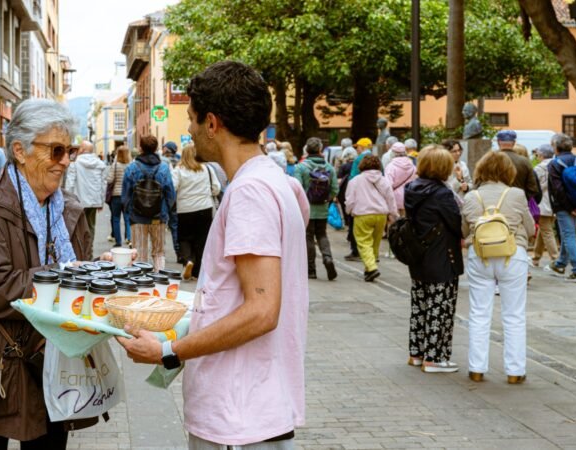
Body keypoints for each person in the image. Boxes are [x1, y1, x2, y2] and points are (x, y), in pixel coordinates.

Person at [117, 61, 309, 450]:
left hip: (238, 415)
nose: (187, 131)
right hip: (254, 408)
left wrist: (168, 352)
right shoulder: (278, 183)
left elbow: (261, 310)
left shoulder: (250, 192)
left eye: (190, 119)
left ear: (212, 122)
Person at [0, 99, 96, 448]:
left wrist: (100, 273)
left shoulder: (70, 208)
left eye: (69, 151)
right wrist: (65, 274)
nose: (65, 162)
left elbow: (80, 280)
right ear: (20, 151)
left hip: (53, 358)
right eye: (56, 151)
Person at [462, 151, 534, 384]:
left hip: (480, 255)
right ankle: (514, 371)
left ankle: (476, 368)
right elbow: (531, 229)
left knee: (479, 312)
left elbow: (464, 231)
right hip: (512, 255)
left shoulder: (472, 196)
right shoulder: (516, 194)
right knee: (514, 314)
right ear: (508, 171)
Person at [403, 149, 464, 373]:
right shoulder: (441, 193)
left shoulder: (412, 188)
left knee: (420, 305)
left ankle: (417, 353)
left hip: (418, 254)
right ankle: (435, 358)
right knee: (441, 306)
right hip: (441, 256)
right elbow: (456, 223)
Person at [121, 135, 176, 271]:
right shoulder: (164, 168)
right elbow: (170, 194)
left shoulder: (132, 167)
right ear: (156, 148)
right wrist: (168, 213)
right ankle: (159, 281)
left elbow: (125, 196)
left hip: (138, 217)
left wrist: (128, 212)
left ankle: (142, 285)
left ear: (140, 148)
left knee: (139, 253)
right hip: (159, 216)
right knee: (159, 252)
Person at [172, 144, 221, 280]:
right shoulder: (207, 169)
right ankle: (197, 272)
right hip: (205, 208)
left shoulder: (179, 170)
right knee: (202, 240)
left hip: (185, 209)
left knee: (184, 238)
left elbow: (173, 187)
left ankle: (188, 260)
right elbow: (216, 188)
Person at [345, 155, 398, 281]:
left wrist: (349, 211)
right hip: (381, 215)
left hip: (362, 214)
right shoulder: (384, 180)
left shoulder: (355, 180)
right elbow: (390, 198)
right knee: (375, 242)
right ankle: (369, 270)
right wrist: (394, 215)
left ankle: (372, 267)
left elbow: (350, 200)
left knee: (364, 242)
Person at [294, 137, 339, 280]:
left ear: (307, 150)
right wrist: (326, 200)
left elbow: (297, 188)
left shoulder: (301, 167)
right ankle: (327, 258)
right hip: (322, 208)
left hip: (306, 209)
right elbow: (334, 189)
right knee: (322, 234)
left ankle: (311, 270)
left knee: (308, 236)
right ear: (320, 150)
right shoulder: (329, 167)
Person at [546, 133, 576, 281]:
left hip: (563, 206)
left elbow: (558, 189)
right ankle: (560, 264)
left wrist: (568, 207)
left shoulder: (554, 164)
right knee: (569, 233)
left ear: (555, 147)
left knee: (568, 235)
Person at [64, 140, 107, 240]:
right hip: (94, 201)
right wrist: (101, 202)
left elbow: (70, 182)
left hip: (78, 200)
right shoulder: (100, 164)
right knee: (91, 226)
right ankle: (89, 252)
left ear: (82, 149)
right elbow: (103, 184)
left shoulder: (75, 163)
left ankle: (81, 251)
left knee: (78, 227)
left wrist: (67, 200)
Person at [496, 130, 542, 203]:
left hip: (494, 205)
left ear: (498, 142)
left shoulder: (487, 160)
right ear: (514, 143)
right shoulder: (524, 162)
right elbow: (533, 189)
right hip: (518, 204)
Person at [533, 144, 559, 267]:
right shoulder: (557, 165)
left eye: (537, 153)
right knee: (544, 231)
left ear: (542, 154)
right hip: (555, 203)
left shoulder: (539, 168)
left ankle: (556, 259)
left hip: (543, 203)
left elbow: (535, 186)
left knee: (547, 231)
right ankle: (536, 258)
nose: (537, 155)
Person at [106, 145, 132, 247]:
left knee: (116, 218)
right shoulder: (131, 165)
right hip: (127, 195)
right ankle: (129, 238)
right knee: (127, 217)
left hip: (116, 195)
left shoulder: (115, 165)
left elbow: (110, 179)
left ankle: (118, 241)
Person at [384, 142, 417, 217]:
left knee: (394, 225)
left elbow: (388, 185)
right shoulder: (412, 165)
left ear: (393, 153)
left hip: (394, 199)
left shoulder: (390, 167)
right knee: (406, 223)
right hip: (409, 197)